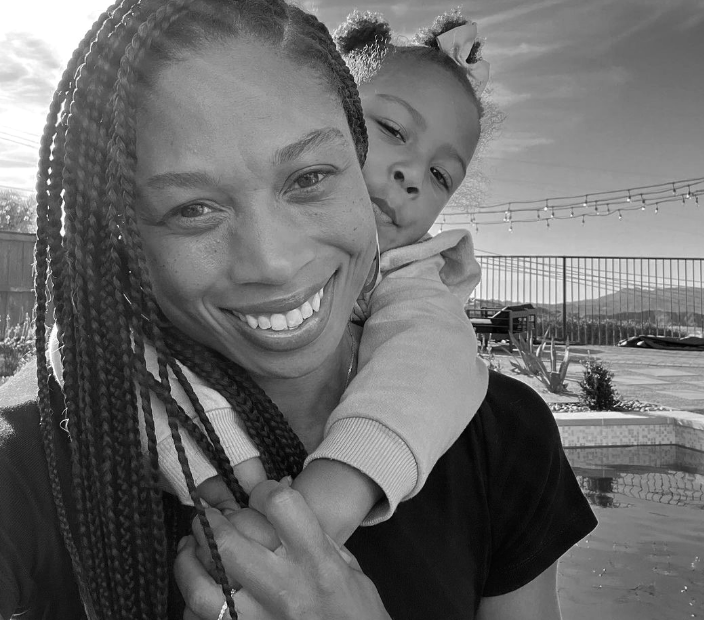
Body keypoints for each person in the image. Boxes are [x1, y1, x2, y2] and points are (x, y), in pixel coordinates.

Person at [0, 1, 597, 620]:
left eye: (310, 176)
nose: (275, 262)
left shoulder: (500, 431)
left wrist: (310, 523)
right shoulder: (32, 461)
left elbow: (432, 358)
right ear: (120, 232)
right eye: (192, 208)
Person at [42, 7, 496, 546]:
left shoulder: (420, 281)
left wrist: (330, 500)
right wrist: (222, 475)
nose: (411, 176)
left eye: (442, 175)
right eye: (393, 130)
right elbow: (90, 342)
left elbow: (430, 366)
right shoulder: (31, 463)